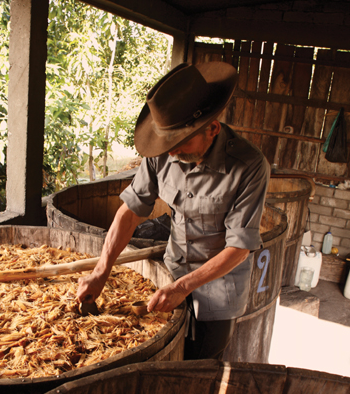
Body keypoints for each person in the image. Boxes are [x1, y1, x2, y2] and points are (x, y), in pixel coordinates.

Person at [77, 61, 270, 360]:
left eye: (180, 143)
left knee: (202, 356)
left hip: (221, 286)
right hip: (173, 268)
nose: (171, 151)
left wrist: (184, 287)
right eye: (167, 142)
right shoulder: (163, 154)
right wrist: (101, 271)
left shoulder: (249, 166)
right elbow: (131, 211)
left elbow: (239, 248)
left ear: (213, 130)